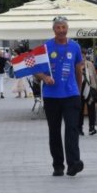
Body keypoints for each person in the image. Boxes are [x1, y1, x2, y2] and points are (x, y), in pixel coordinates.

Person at [34, 16, 85, 177]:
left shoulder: (75, 47)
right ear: (54, 29)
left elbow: (78, 71)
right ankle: (58, 165)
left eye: (64, 27)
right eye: (58, 28)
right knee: (54, 131)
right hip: (51, 96)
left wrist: (78, 90)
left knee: (72, 129)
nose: (61, 30)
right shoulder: (46, 47)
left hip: (71, 95)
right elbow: (36, 70)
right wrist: (45, 78)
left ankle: (74, 163)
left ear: (67, 28)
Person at [78, 53, 97, 136]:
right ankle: (79, 128)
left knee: (91, 109)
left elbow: (95, 77)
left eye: (83, 56)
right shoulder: (75, 64)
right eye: (80, 56)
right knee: (80, 110)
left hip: (90, 90)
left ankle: (91, 127)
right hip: (79, 90)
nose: (82, 58)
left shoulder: (90, 64)